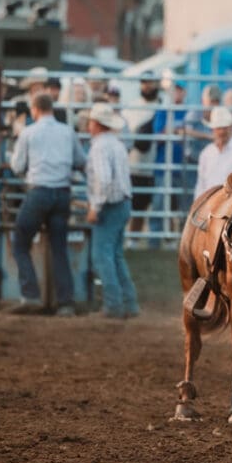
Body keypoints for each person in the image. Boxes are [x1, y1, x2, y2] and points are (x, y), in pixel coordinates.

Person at [9, 93, 86, 316]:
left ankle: (31, 294)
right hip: (62, 193)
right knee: (59, 248)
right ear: (51, 108)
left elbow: (17, 166)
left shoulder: (28, 133)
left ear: (34, 109)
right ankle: (65, 302)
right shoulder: (67, 131)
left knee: (20, 242)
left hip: (38, 192)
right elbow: (80, 161)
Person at [85, 103, 139, 319]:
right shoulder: (116, 144)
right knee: (115, 255)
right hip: (123, 202)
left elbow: (104, 180)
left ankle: (114, 304)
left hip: (109, 205)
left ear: (96, 124)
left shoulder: (99, 147)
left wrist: (95, 206)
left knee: (102, 255)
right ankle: (129, 302)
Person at [120, 72, 159, 243]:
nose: (147, 86)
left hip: (155, 164)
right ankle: (130, 240)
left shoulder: (164, 106)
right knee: (131, 204)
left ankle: (138, 240)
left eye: (150, 82)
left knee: (148, 205)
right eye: (144, 82)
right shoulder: (131, 108)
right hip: (133, 164)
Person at [148, 80, 188, 247]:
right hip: (164, 165)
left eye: (179, 90)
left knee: (182, 206)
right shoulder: (162, 112)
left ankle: (181, 243)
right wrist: (175, 131)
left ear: (183, 93)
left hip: (183, 166)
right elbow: (158, 136)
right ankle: (154, 243)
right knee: (159, 204)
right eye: (173, 90)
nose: (176, 93)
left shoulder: (188, 112)